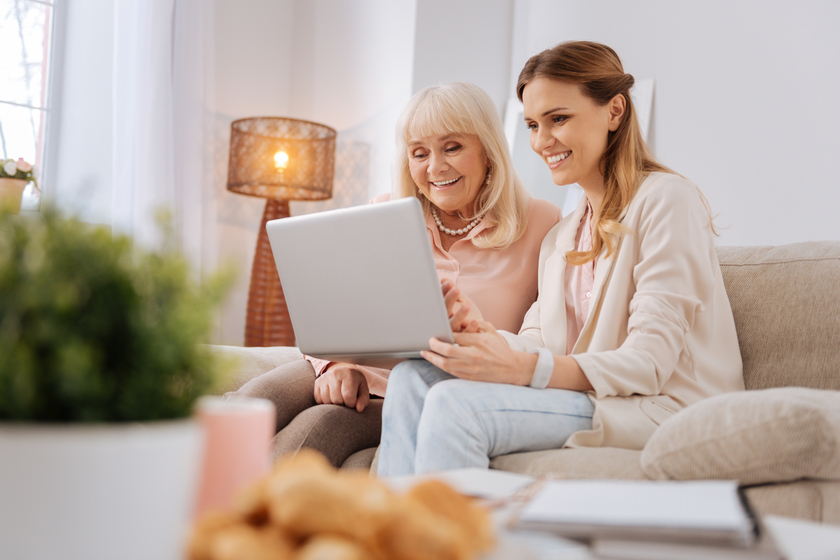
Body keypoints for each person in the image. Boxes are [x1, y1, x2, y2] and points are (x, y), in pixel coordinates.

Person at [377, 41, 745, 477]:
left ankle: (449, 542)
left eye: (558, 119)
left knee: (455, 404)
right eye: (533, 124)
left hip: (663, 407)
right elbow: (536, 342)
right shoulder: (561, 235)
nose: (541, 141)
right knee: (412, 378)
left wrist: (524, 367)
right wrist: (476, 331)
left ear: (615, 111)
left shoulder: (667, 200)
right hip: (595, 399)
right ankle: (388, 535)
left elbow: (649, 364)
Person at [226, 82, 561, 467]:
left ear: (488, 149)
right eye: (420, 153)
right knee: (258, 397)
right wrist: (337, 366)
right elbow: (338, 313)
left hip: (427, 391)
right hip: (358, 368)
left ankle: (252, 520)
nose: (435, 167)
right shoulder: (385, 212)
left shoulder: (542, 222)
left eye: (452, 147)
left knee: (319, 426)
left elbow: (541, 337)